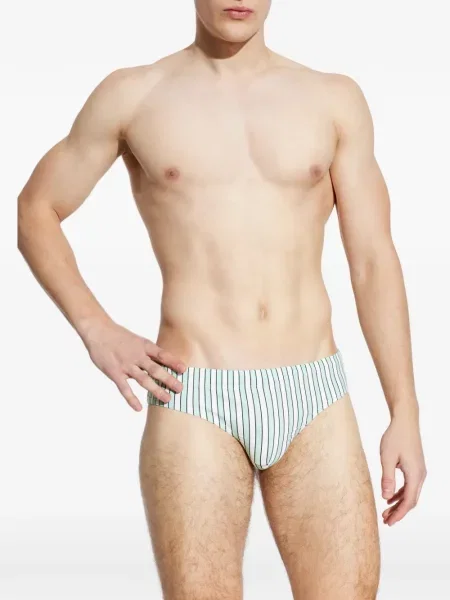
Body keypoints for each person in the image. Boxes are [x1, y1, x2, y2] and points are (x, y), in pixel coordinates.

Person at [17, 1, 427, 598]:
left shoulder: (333, 99)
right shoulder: (135, 95)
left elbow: (372, 261)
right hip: (195, 396)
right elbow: (37, 208)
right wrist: (95, 328)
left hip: (314, 392)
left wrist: (404, 410)